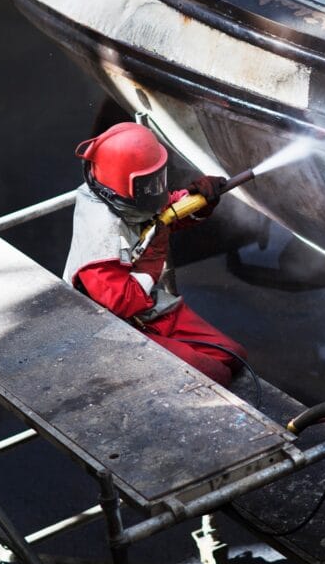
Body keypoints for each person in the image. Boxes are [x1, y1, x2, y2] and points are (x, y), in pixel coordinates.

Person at [63, 121, 248, 386]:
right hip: (115, 328)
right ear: (127, 184)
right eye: (150, 185)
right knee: (215, 374)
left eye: (158, 180)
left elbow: (163, 215)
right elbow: (124, 302)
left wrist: (200, 200)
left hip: (150, 310)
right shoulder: (99, 240)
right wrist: (154, 257)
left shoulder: (126, 200)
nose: (158, 190)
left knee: (232, 357)